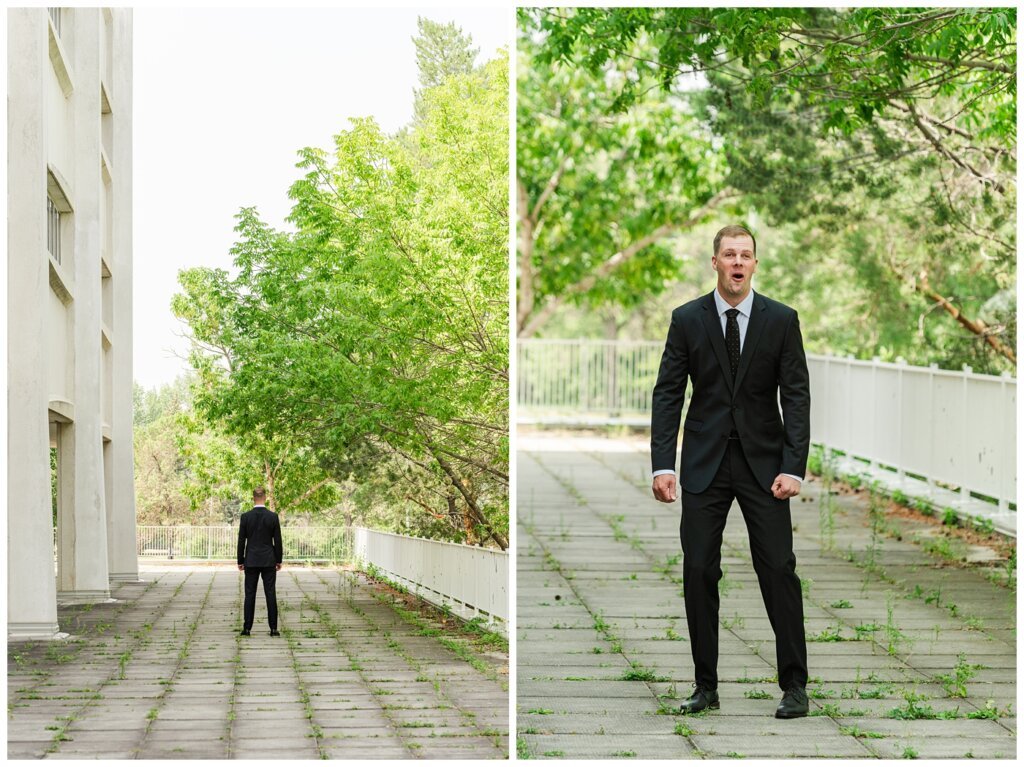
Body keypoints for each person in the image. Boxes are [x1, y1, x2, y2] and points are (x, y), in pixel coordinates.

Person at [650, 224, 811, 719]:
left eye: (746, 255)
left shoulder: (781, 320)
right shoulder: (687, 319)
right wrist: (662, 464)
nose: (738, 263)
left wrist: (794, 467)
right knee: (698, 568)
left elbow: (797, 395)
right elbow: (668, 392)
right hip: (704, 463)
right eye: (729, 255)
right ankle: (705, 687)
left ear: (755, 264)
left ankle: (795, 686)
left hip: (765, 466)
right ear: (715, 262)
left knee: (778, 568)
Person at [237, 487, 283, 637]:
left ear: (253, 498)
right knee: (270, 593)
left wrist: (240, 560)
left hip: (250, 560)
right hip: (269, 560)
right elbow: (277, 540)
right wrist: (278, 559)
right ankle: (274, 628)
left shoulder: (246, 517)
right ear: (265, 498)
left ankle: (247, 628)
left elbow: (241, 540)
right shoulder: (273, 517)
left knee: (249, 594)